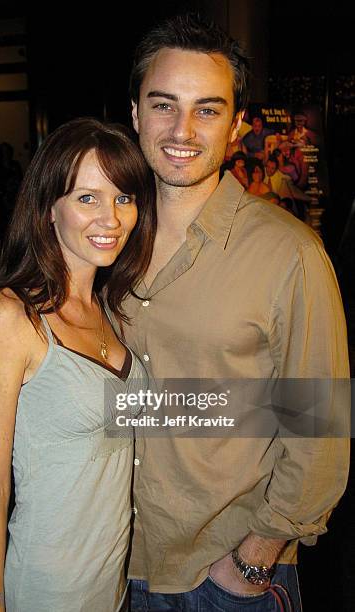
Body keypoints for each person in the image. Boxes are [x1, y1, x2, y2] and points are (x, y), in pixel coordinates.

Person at [117, 13, 349, 611]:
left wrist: (257, 551)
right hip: (114, 558)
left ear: (237, 124)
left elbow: (319, 421)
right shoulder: (103, 239)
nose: (183, 129)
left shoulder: (289, 253)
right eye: (164, 105)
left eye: (208, 109)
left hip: (223, 575)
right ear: (136, 114)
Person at [0, 118, 156, 612]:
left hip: (112, 584)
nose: (111, 219)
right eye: (87, 198)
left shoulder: (112, 309)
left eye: (124, 197)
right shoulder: (10, 317)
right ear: (49, 209)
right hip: (47, 589)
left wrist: (305, 415)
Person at [0, 142, 23, 247]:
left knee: (16, 223)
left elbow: (20, 179)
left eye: (7, 151)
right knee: (3, 225)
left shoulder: (15, 164)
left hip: (15, 197)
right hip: (3, 199)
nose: (5, 154)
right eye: (3, 152)